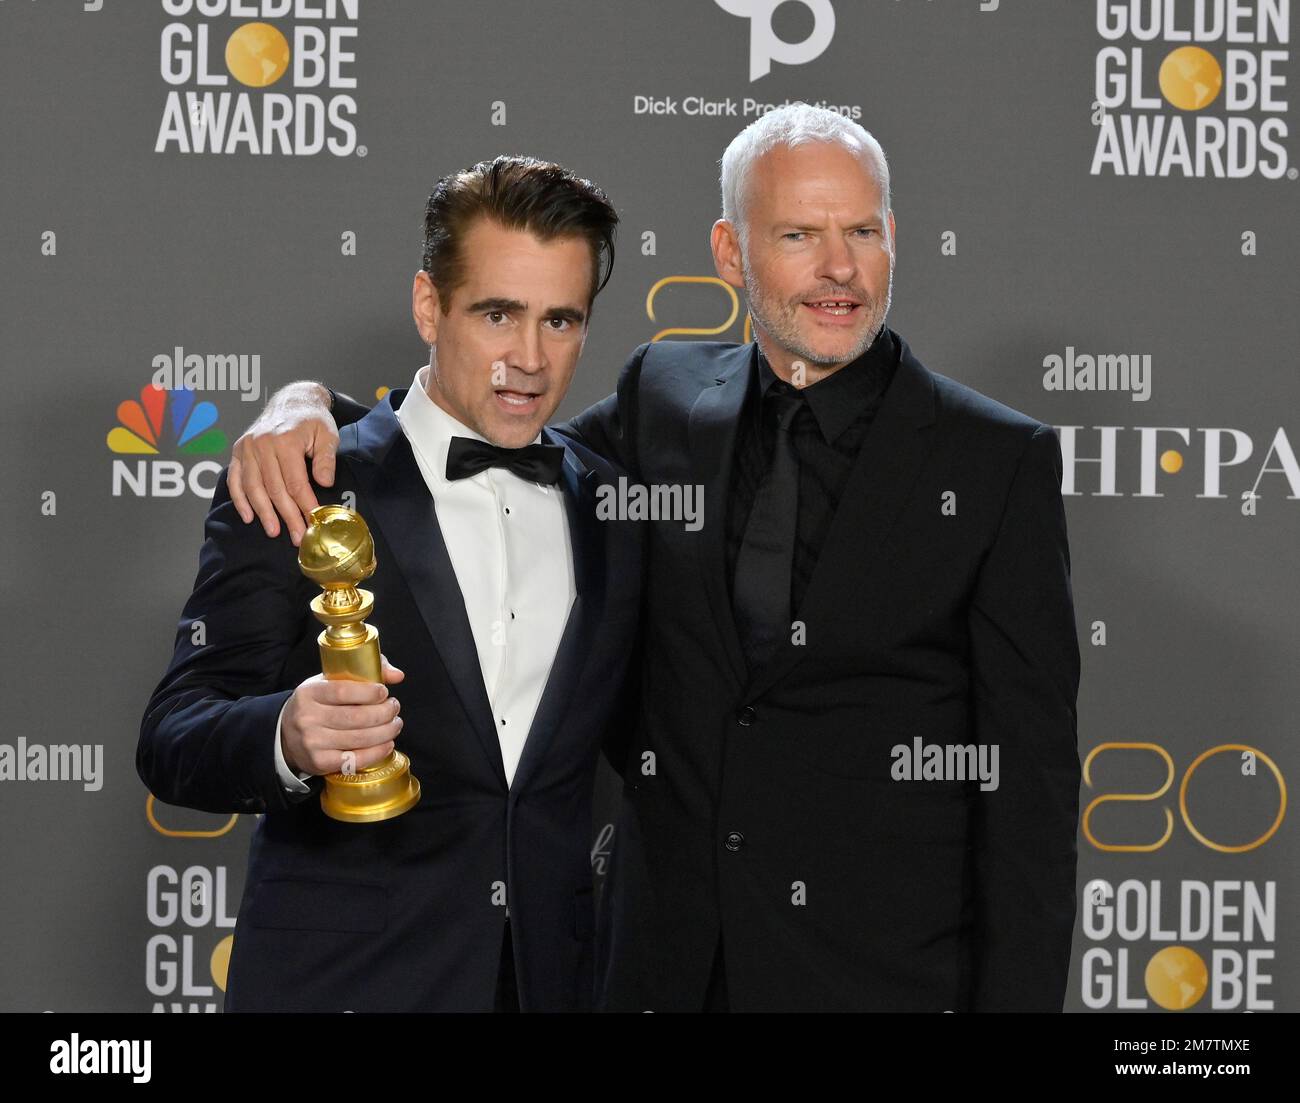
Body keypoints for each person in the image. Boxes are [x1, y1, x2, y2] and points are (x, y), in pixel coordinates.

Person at [227, 103, 1082, 1012]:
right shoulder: (662, 399)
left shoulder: (994, 460)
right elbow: (484, 437)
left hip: (878, 982)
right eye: (799, 234)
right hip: (653, 975)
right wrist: (305, 402)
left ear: (893, 238)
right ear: (730, 253)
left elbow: (1028, 796)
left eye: (862, 231)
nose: (840, 269)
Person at [137, 155, 643, 1012]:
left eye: (561, 320)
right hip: (344, 986)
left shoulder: (616, 504)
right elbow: (173, 735)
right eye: (498, 314)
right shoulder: (301, 479)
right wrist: (288, 735)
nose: (528, 357)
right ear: (427, 305)